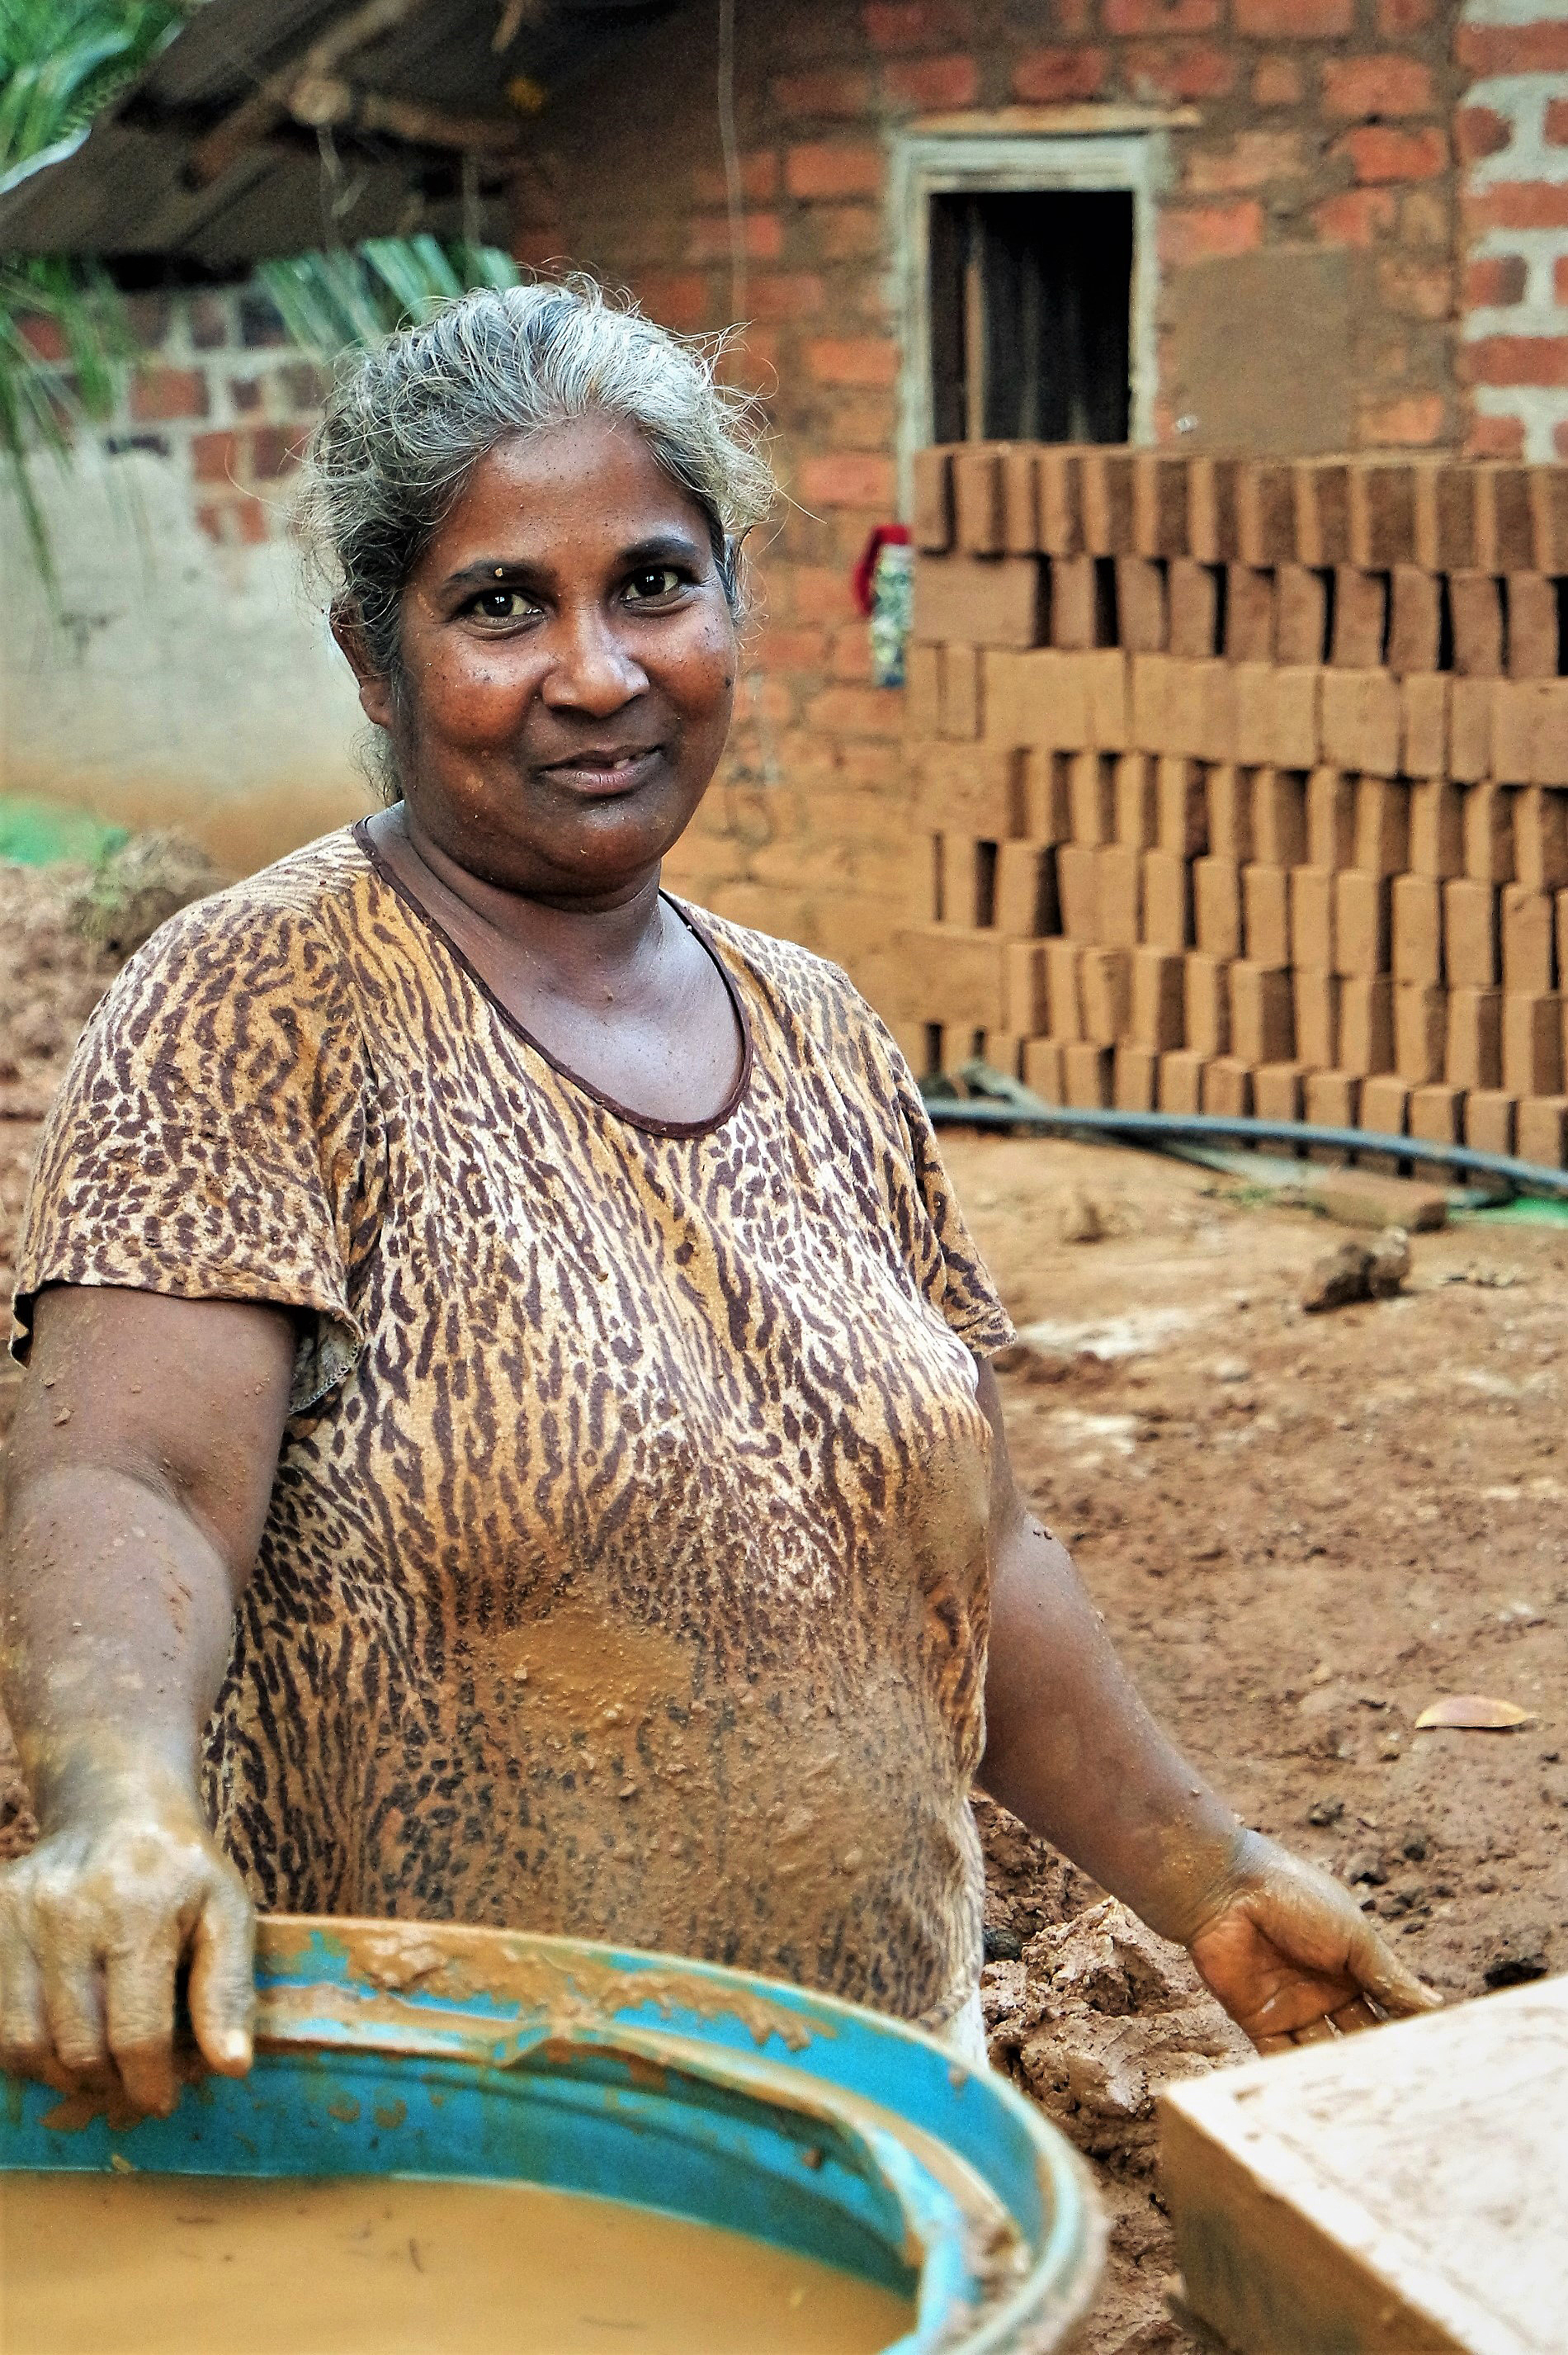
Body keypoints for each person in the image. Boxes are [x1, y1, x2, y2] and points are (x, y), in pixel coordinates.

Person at [0, 281, 1433, 2116]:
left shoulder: (820, 1030)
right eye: (500, 603)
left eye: (654, 582)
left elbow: (972, 1561)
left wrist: (1211, 1877)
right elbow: (132, 1477)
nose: (596, 671)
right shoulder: (258, 999)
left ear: (731, 602)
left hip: (868, 2117)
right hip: (444, 2127)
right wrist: (118, 1807)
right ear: (374, 657)